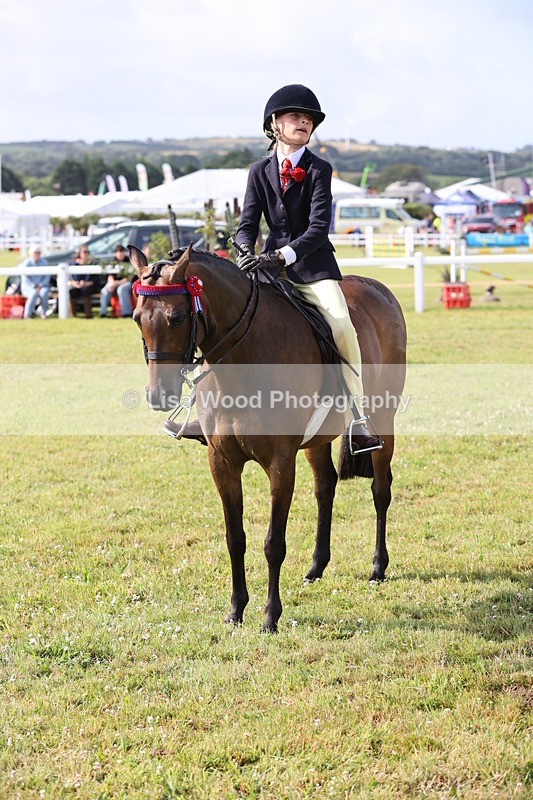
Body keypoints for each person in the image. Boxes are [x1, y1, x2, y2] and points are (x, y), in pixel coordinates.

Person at [233, 84, 381, 453]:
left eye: (309, 118)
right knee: (227, 319)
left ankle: (357, 418)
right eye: (295, 116)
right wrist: (242, 251)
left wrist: (282, 256)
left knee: (342, 326)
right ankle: (202, 407)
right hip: (266, 269)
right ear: (274, 124)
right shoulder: (258, 171)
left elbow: (317, 229)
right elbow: (247, 224)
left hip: (311, 267)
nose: (304, 121)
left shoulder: (318, 169)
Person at [99, 244, 135, 317]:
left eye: (121, 251)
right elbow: (110, 275)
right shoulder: (112, 262)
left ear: (124, 252)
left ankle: (126, 313)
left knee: (121, 289)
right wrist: (111, 283)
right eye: (117, 251)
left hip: (127, 283)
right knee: (105, 290)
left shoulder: (129, 261)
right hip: (114, 283)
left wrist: (116, 283)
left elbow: (129, 278)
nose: (120, 253)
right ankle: (103, 313)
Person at [21, 245, 51, 319]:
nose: (37, 254)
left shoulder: (44, 262)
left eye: (39, 253)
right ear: (31, 253)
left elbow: (47, 276)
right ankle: (27, 314)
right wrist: (34, 286)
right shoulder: (26, 263)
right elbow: (25, 278)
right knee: (33, 293)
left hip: (42, 286)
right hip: (29, 287)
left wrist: (40, 285)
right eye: (35, 252)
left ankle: (43, 313)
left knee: (44, 292)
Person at [69, 246, 97, 318]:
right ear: (80, 254)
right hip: (78, 286)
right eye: (84, 252)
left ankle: (88, 314)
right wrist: (75, 283)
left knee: (85, 291)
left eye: (87, 252)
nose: (86, 254)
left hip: (89, 286)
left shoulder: (92, 263)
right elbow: (72, 277)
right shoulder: (75, 264)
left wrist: (86, 283)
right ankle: (73, 315)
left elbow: (95, 279)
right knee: (72, 291)